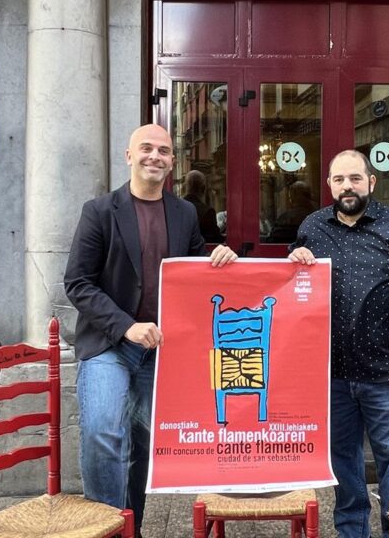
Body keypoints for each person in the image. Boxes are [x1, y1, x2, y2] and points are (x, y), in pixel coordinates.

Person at [64, 124, 238, 531]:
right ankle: (108, 527)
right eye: (146, 149)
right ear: (129, 156)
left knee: (142, 447)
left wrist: (219, 257)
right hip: (109, 345)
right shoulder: (99, 211)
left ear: (172, 162)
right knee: (103, 435)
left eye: (163, 151)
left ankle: (133, 527)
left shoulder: (185, 213)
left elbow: (194, 271)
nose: (154, 157)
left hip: (159, 351)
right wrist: (127, 327)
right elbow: (78, 283)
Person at [288, 149, 389, 537]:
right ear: (330, 186)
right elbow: (295, 287)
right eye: (339, 180)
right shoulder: (312, 227)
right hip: (332, 371)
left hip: (388, 370)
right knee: (342, 460)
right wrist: (294, 259)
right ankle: (352, 530)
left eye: (355, 178)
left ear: (371, 182)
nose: (347, 187)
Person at [182, 169, 224, 242]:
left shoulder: (174, 209)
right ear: (203, 189)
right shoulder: (207, 212)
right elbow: (215, 239)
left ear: (185, 187)